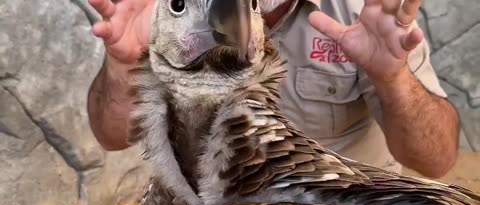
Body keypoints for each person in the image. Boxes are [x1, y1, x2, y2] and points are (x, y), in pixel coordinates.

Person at [87, 0, 459, 178]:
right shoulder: (173, 11)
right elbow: (112, 136)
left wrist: (393, 79)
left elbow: (435, 159)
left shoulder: (363, 10)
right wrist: (124, 64)